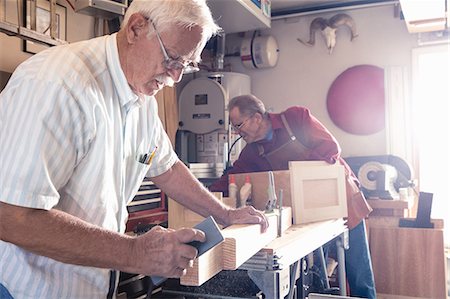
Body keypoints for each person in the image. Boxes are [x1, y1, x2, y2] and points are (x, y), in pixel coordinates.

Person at [0, 1, 269, 298]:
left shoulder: (141, 99)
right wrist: (134, 252)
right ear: (136, 28)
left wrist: (226, 215)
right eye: (172, 60)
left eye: (186, 65)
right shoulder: (57, 84)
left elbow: (166, 167)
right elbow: (11, 217)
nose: (174, 78)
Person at [209, 94, 376, 299]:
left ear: (256, 118)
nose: (237, 132)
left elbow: (331, 149)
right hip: (307, 216)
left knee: (358, 274)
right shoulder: (252, 151)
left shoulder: (296, 119)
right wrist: (204, 196)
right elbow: (232, 178)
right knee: (316, 281)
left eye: (239, 125)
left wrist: (295, 176)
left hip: (341, 200)